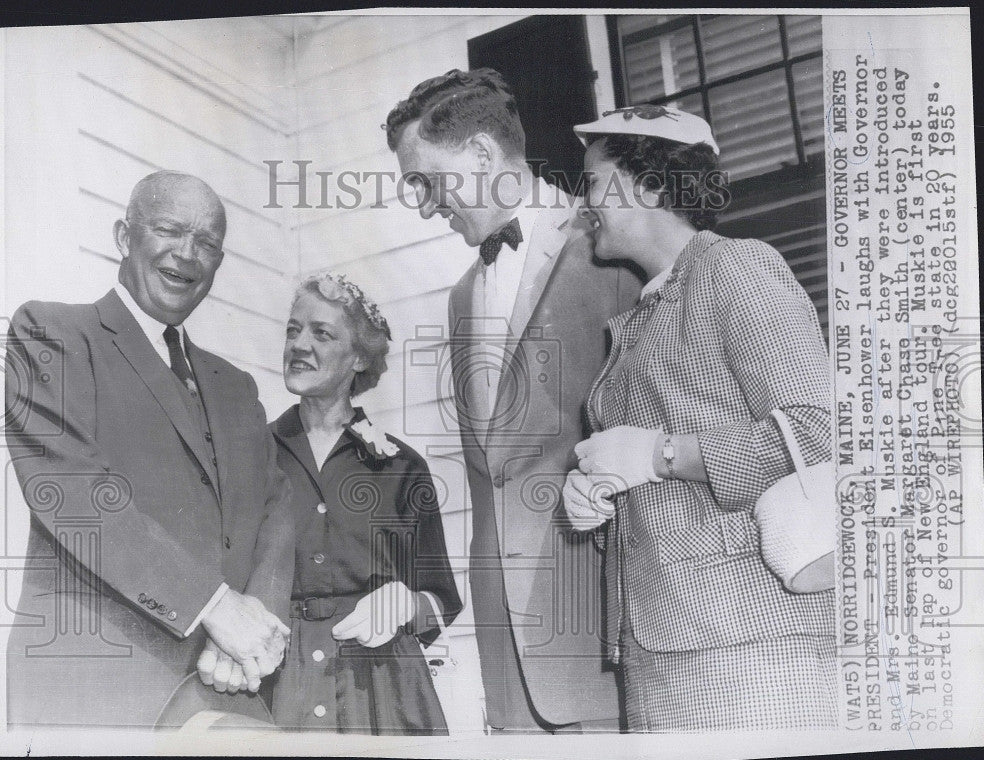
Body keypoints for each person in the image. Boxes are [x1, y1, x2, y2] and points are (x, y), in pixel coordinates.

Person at [562, 105, 837, 731]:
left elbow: (819, 429)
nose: (584, 204)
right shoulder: (638, 318)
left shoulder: (733, 267)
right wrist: (599, 496)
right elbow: (660, 491)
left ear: (649, 184)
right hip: (658, 649)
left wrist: (658, 455)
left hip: (751, 644)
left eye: (593, 181)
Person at [385, 68, 641, 733]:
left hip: (605, 638)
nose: (423, 204)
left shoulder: (610, 244)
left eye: (426, 181)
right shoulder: (461, 296)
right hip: (510, 665)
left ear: (479, 155)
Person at [3, 171, 294, 727]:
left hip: (224, 686)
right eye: (168, 229)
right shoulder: (52, 333)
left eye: (207, 243)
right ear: (123, 236)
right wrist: (215, 607)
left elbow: (276, 515)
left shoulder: (236, 387)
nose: (187, 254)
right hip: (92, 685)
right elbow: (70, 489)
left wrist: (255, 631)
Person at [269, 274, 462, 733]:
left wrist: (403, 605)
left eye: (321, 333)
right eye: (293, 330)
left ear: (357, 358)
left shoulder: (401, 467)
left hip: (379, 688)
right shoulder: (254, 455)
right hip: (278, 682)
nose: (299, 344)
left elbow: (442, 600)